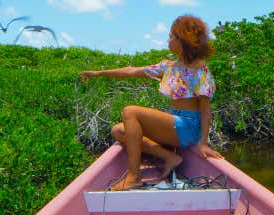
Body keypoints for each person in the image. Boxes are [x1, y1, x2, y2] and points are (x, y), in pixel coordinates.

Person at [80, 14, 223, 190]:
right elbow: (132, 71)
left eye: (172, 36)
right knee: (118, 130)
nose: (168, 40)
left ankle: (133, 177)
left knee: (130, 111)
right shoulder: (169, 66)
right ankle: (169, 157)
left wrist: (202, 143)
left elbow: (205, 109)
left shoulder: (199, 70)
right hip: (175, 123)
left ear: (183, 40)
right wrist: (98, 73)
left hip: (188, 127)